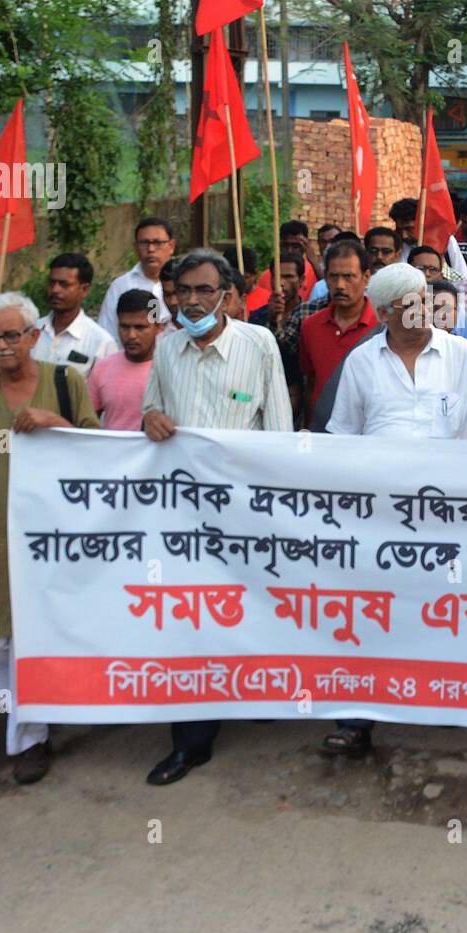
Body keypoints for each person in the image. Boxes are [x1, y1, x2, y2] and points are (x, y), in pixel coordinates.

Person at [324, 262, 467, 758]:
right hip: (380, 520)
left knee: (443, 610)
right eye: (412, 301)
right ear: (385, 312)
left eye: (426, 297)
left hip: (450, 520)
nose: (425, 307)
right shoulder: (362, 363)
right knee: (373, 615)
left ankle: (442, 699)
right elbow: (340, 439)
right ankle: (356, 720)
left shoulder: (461, 354)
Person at [141, 249, 292, 785]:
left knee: (252, 609)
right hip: (183, 519)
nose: (194, 301)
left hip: (245, 514)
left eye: (206, 290)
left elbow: (277, 430)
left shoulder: (259, 345)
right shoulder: (166, 350)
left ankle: (256, 692)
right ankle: (191, 742)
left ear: (228, 293)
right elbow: (149, 412)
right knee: (189, 620)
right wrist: (150, 418)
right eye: (185, 292)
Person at [0, 292, 99, 783]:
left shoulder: (64, 381)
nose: (2, 344)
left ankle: (29, 737)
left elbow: (99, 450)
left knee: (40, 627)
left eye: (12, 334)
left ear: (34, 337)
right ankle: (24, 708)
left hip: (54, 534)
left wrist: (55, 423)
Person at [299, 239, 376, 419]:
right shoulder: (311, 326)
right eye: (334, 277)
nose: (340, 285)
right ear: (325, 277)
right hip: (322, 433)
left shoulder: (382, 327)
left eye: (348, 277)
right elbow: (310, 382)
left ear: (366, 278)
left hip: (368, 431)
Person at [31, 252, 118, 376]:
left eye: (64, 284)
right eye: (52, 283)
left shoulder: (101, 343)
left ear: (84, 290)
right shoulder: (30, 331)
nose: (55, 290)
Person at [88, 288, 163, 431]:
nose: (131, 335)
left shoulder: (171, 368)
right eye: (124, 327)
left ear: (158, 327)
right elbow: (87, 423)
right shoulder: (102, 368)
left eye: (140, 327)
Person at [98, 216, 175, 339]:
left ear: (171, 246)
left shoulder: (186, 282)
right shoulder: (121, 286)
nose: (151, 249)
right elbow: (107, 334)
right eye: (144, 243)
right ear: (135, 247)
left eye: (157, 243)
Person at [392, 197, 467, 279]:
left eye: (409, 229)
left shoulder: (444, 239)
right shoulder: (395, 243)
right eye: (399, 229)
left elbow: (462, 277)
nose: (404, 235)